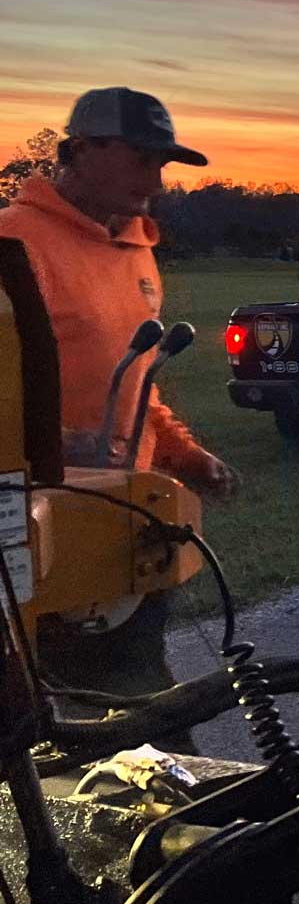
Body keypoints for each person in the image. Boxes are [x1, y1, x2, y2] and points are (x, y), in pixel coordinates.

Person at [0, 87, 240, 718]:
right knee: (86, 710)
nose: (156, 181)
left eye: (162, 164)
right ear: (81, 151)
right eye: (142, 160)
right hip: (44, 525)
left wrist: (185, 456)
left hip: (127, 517)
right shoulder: (16, 242)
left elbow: (136, 381)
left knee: (131, 692)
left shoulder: (136, 251)